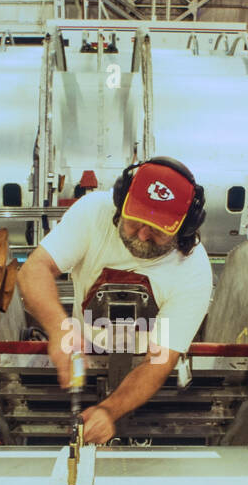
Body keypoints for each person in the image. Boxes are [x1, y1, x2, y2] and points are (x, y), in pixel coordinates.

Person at [18, 157, 213, 445]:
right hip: (82, 350)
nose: (143, 236)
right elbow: (33, 269)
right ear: (120, 204)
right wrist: (60, 328)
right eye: (135, 222)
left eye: (158, 231)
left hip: (141, 369)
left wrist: (109, 410)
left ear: (184, 230)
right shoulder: (94, 211)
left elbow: (158, 361)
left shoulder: (193, 271)